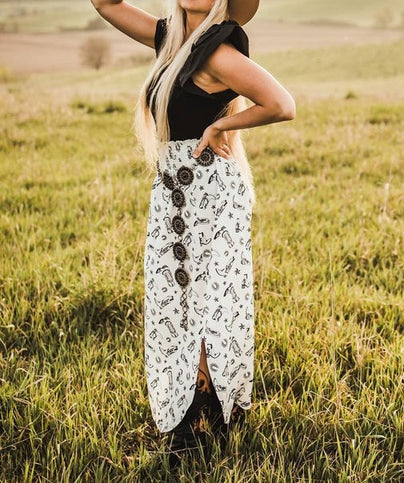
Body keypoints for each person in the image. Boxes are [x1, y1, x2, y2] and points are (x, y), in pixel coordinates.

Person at [91, 0, 296, 468]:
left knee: (211, 303)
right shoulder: (171, 40)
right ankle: (194, 405)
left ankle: (211, 409)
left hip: (212, 195)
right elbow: (104, 4)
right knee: (174, 300)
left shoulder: (216, 51)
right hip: (172, 196)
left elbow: (282, 104)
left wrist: (223, 122)